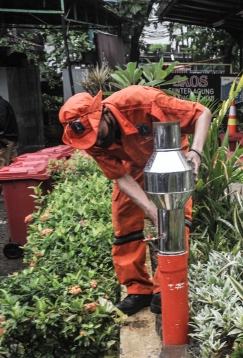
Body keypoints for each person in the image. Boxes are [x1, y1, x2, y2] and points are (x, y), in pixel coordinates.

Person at [59, 85, 211, 316]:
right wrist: (151, 210)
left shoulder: (141, 101)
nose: (95, 143)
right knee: (124, 221)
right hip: (133, 164)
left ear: (104, 113)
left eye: (97, 135)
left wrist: (196, 153)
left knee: (175, 219)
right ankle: (138, 289)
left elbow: (202, 113)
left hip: (168, 157)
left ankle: (165, 287)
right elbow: (121, 176)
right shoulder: (89, 140)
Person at [0, 92, 19, 200]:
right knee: (12, 166)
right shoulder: (4, 103)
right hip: (10, 139)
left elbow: (0, 123)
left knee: (0, 168)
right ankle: (14, 192)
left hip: (4, 141)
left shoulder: (0, 105)